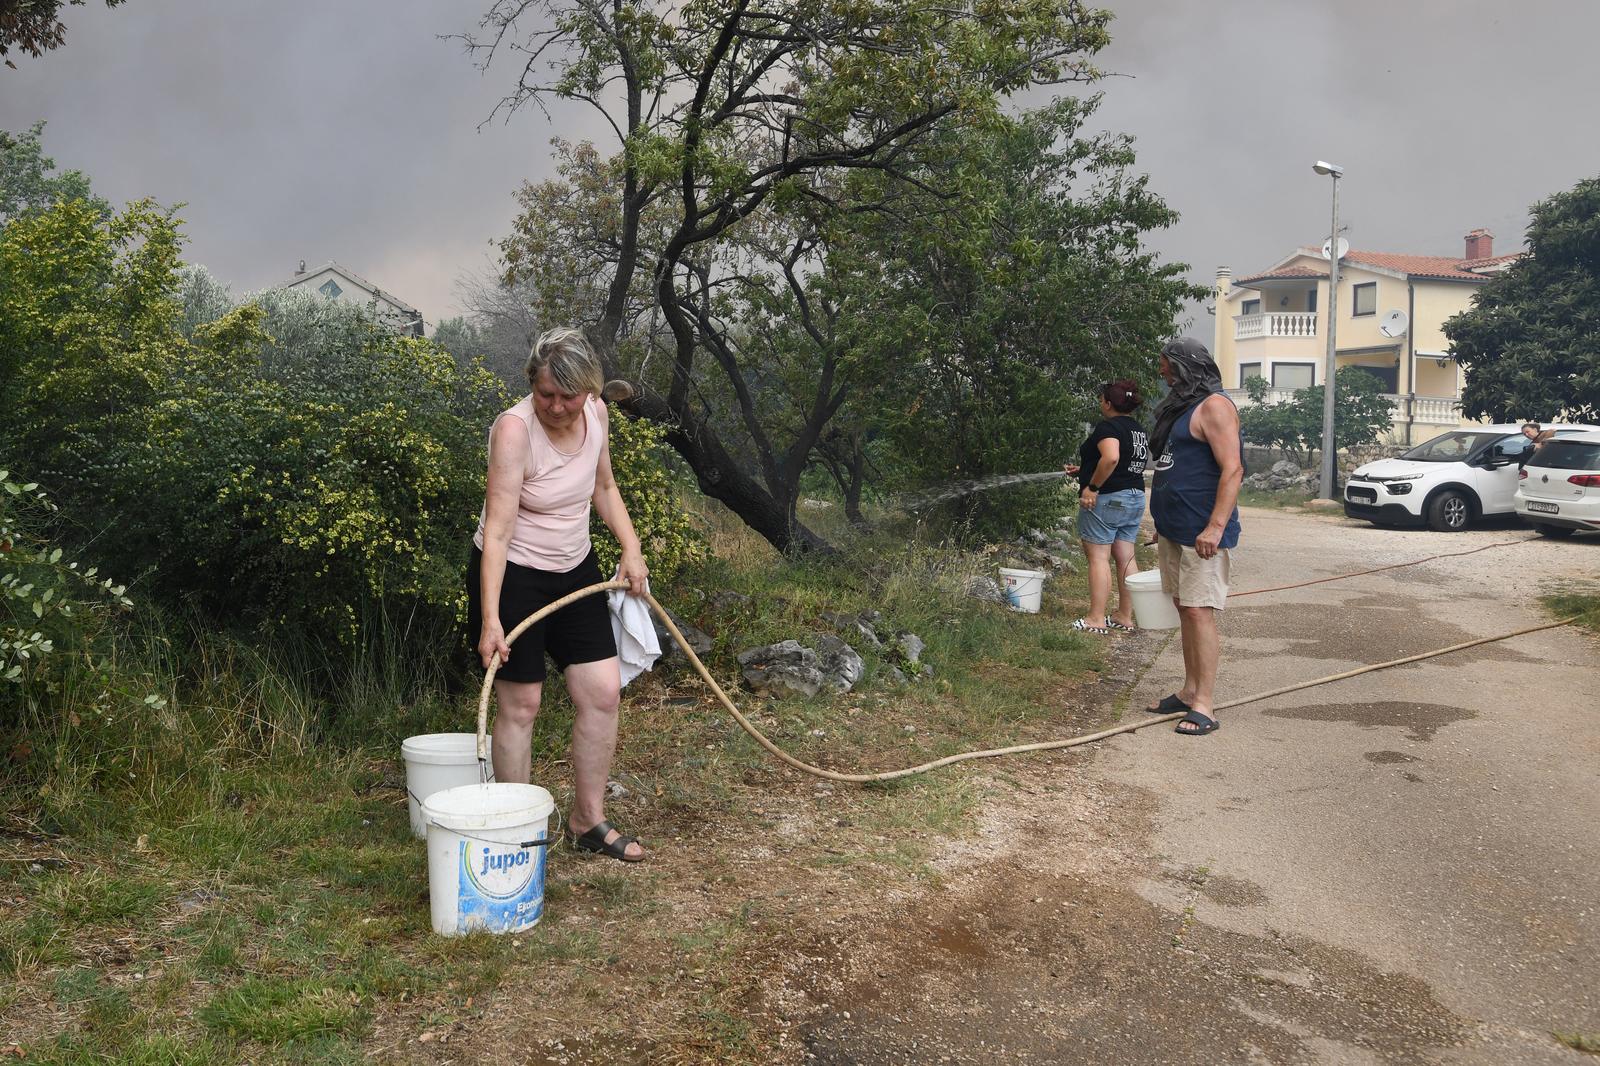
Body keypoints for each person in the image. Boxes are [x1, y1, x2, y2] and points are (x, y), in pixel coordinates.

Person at [468, 327, 650, 862]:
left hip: (575, 567)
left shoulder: (596, 414)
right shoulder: (514, 431)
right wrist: (491, 619)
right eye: (545, 393)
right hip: (514, 573)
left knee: (602, 692)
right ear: (533, 385)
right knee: (521, 702)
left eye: (567, 395)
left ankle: (586, 820)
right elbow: (497, 531)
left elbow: (605, 488)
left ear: (588, 390)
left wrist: (631, 549)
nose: (555, 405)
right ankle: (517, 831)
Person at [1145, 338, 1243, 737]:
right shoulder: (1184, 408)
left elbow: (1233, 470)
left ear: (1185, 366)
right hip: (1175, 530)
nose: (1162, 372)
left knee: (1199, 611)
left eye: (1166, 364)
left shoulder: (1215, 407)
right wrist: (1163, 522)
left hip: (1202, 534)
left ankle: (1205, 703)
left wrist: (1215, 527)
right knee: (1185, 607)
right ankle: (1188, 691)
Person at [1063, 379, 1150, 635]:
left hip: (1109, 498)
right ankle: (1124, 615)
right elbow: (1120, 461)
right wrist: (1086, 470)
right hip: (1134, 497)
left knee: (1099, 557)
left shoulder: (1107, 427)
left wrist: (1092, 487)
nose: (1100, 402)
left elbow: (1111, 457)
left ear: (1109, 403)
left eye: (1102, 399)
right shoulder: (1137, 429)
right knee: (1125, 555)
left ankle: (1096, 618)